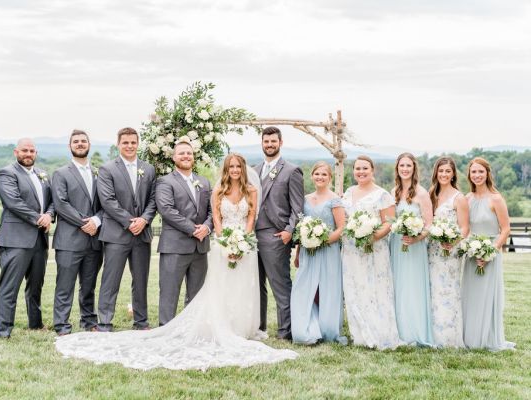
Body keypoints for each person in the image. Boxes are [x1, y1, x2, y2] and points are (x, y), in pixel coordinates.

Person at [55, 153, 298, 370]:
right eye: (231, 166)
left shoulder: (207, 183)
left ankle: (242, 328)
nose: (235, 170)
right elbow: (169, 209)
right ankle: (157, 325)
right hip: (207, 244)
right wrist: (219, 238)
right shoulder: (172, 182)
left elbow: (242, 216)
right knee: (197, 289)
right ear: (174, 157)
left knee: (242, 288)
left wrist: (239, 240)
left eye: (238, 166)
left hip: (234, 245)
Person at [96, 127, 156, 331]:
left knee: (140, 280)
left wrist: (145, 220)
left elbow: (153, 200)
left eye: (133, 142)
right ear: (118, 144)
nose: (130, 146)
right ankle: (104, 321)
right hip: (116, 233)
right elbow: (107, 201)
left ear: (138, 143)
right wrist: (131, 222)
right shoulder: (107, 169)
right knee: (110, 280)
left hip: (142, 234)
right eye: (125, 142)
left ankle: (141, 321)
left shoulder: (148, 169)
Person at [341, 155, 402, 349]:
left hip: (374, 249)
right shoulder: (349, 192)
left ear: (372, 170)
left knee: (375, 289)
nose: (361, 172)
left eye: (365, 168)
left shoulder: (382, 195)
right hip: (351, 250)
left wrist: (371, 237)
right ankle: (359, 333)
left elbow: (389, 223)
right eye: (357, 168)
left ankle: (379, 332)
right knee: (355, 288)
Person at [0, 138, 54, 338]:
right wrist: (39, 218)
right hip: (16, 239)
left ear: (36, 153)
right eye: (24, 150)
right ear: (16, 152)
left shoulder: (42, 174)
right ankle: (4, 331)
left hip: (40, 239)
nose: (28, 154)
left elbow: (52, 202)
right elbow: (13, 202)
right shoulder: (7, 173)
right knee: (9, 286)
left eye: (31, 151)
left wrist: (50, 215)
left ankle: (35, 324)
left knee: (36, 284)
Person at [51, 130, 104, 335]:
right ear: (70, 146)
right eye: (76, 141)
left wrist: (97, 221)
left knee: (89, 285)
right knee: (65, 285)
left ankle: (89, 321)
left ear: (89, 144)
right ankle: (62, 325)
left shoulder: (100, 173)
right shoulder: (61, 173)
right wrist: (85, 222)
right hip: (69, 240)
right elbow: (61, 204)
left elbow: (106, 203)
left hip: (94, 240)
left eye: (83, 141)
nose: (80, 144)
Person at [155, 140, 212, 326]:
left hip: (200, 247)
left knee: (196, 294)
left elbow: (213, 210)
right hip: (175, 246)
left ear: (193, 157)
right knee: (169, 292)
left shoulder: (203, 182)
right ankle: (166, 329)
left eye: (189, 153)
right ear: (174, 158)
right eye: (181, 153)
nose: (186, 156)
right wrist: (193, 229)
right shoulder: (165, 181)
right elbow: (167, 210)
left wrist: (207, 227)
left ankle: (191, 329)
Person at [461, 157, 515, 350]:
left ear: (487, 174)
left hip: (491, 253)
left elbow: (505, 229)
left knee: (486, 295)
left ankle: (487, 338)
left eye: (480, 172)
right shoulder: (466, 199)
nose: (477, 175)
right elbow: (465, 229)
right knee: (470, 295)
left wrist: (489, 252)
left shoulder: (496, 199)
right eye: (473, 172)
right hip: (471, 254)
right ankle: (469, 338)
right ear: (469, 175)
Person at [255, 126, 304, 340]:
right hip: (252, 237)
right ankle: (259, 327)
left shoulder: (291, 171)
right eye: (266, 141)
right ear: (262, 143)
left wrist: (288, 231)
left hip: (276, 236)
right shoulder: (254, 170)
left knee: (280, 286)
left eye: (273, 141)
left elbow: (298, 208)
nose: (269, 145)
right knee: (256, 286)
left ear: (280, 143)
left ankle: (286, 331)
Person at [290, 161, 346, 345]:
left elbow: (341, 228)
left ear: (330, 177)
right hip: (307, 251)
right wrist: (299, 252)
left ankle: (327, 328)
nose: (320, 177)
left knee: (327, 288)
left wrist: (322, 241)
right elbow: (301, 228)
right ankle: (305, 328)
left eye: (324, 174)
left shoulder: (335, 200)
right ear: (312, 176)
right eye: (317, 174)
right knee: (304, 288)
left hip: (328, 251)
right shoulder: (305, 199)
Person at [389, 153, 434, 346]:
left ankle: (414, 330)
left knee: (413, 286)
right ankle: (397, 330)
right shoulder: (393, 192)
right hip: (397, 245)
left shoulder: (422, 193)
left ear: (414, 168)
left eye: (409, 165)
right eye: (402, 166)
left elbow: (429, 225)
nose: (405, 169)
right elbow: (389, 219)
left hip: (415, 247)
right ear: (397, 169)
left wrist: (416, 238)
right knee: (397, 286)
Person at [427, 156, 469, 348]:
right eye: (441, 171)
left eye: (447, 171)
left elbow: (464, 228)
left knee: (447, 289)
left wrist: (452, 242)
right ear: (436, 172)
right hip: (431, 249)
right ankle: (431, 332)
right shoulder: (431, 194)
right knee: (431, 289)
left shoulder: (458, 198)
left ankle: (448, 336)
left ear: (453, 174)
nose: (443, 174)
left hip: (449, 251)